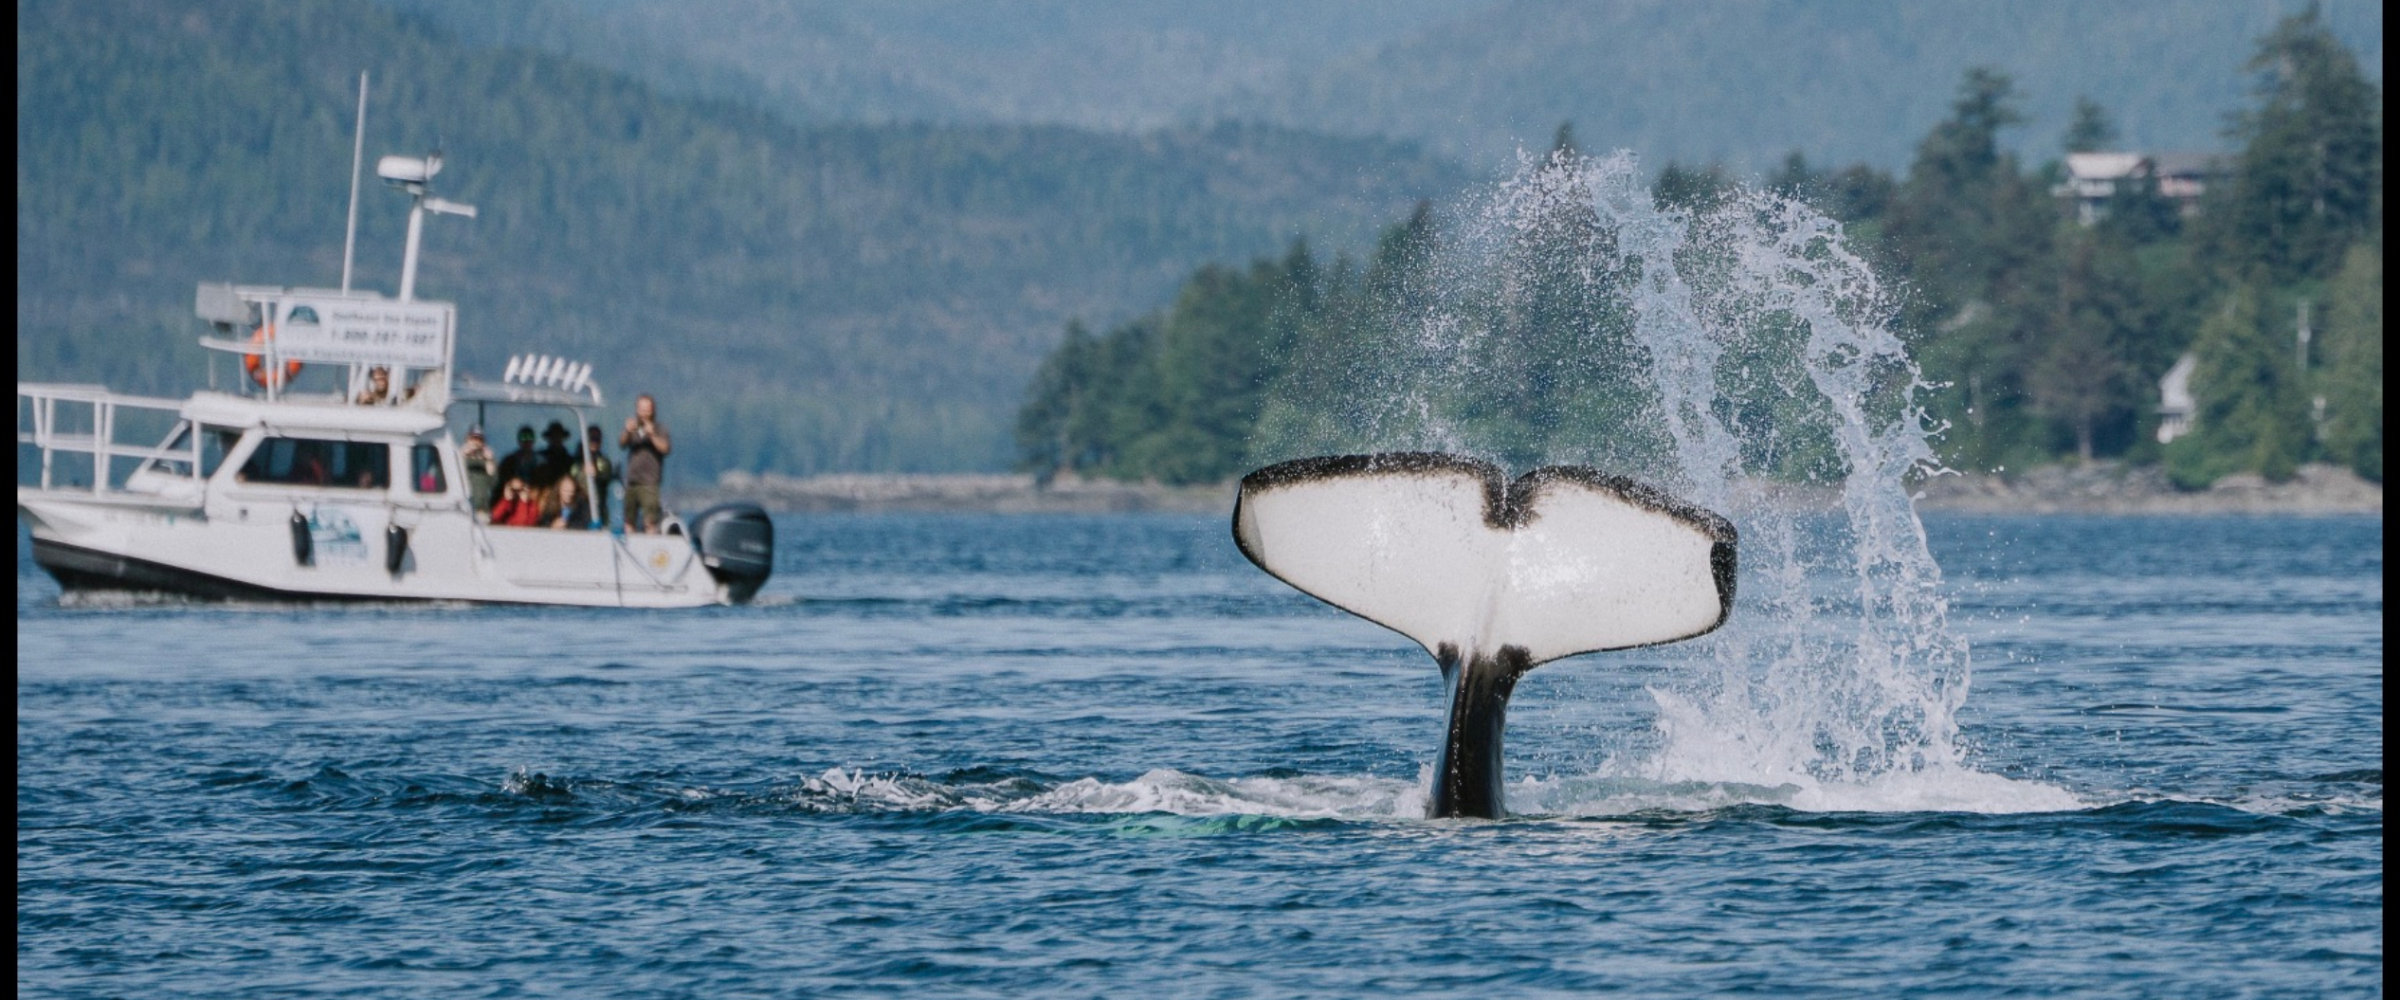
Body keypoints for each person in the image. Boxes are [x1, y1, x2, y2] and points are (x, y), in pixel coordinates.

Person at [619, 393, 671, 533]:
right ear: (637, 410)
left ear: (652, 410)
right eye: (641, 409)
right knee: (629, 520)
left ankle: (650, 546)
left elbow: (665, 449)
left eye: (647, 409)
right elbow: (622, 443)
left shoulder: (660, 429)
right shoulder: (634, 429)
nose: (644, 413)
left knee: (650, 520)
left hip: (649, 482)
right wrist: (627, 431)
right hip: (632, 481)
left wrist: (652, 435)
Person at [578, 424, 618, 529]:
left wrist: (596, 474)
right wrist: (581, 471)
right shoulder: (577, 460)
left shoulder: (604, 461)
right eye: (591, 439)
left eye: (597, 439)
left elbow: (607, 475)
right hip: (579, 507)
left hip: (598, 506)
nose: (594, 442)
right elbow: (571, 477)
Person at [460, 426, 499, 517]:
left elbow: (494, 484)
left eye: (479, 439)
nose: (476, 442)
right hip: (462, 509)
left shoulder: (487, 461)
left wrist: (490, 460)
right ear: (467, 439)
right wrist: (462, 455)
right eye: (473, 438)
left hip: (481, 510)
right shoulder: (459, 457)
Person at [497, 425, 543, 499]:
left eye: (530, 437)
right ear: (519, 440)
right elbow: (502, 483)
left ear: (534, 440)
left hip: (534, 499)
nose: (527, 441)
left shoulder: (540, 462)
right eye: (523, 437)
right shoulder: (509, 461)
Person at [534, 421, 575, 488]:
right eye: (554, 436)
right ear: (549, 438)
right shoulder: (540, 456)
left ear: (562, 438)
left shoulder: (569, 460)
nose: (556, 439)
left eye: (558, 436)